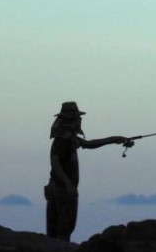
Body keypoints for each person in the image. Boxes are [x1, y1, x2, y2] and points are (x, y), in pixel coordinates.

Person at [45, 102, 130, 242]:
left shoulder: (67, 137)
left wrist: (115, 139)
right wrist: (68, 185)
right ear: (72, 119)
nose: (80, 120)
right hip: (62, 190)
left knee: (57, 231)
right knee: (63, 230)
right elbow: (55, 162)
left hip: (60, 188)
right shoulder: (63, 140)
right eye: (78, 117)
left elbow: (88, 144)